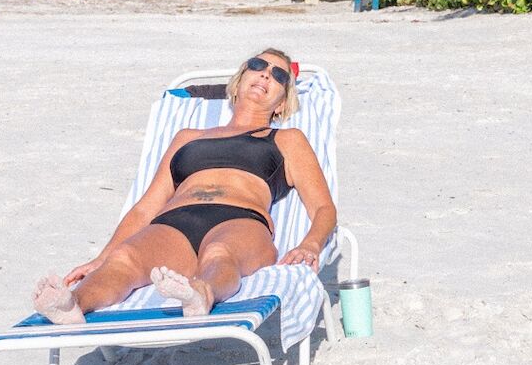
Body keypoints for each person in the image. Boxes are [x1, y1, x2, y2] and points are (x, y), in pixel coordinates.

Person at [31, 49, 337, 322]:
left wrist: (311, 243)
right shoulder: (187, 137)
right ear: (239, 80)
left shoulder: (286, 139)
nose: (266, 74)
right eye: (258, 65)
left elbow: (323, 207)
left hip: (241, 221)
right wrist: (104, 255)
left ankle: (201, 293)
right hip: (174, 222)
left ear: (282, 103)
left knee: (219, 253)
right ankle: (73, 305)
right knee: (124, 260)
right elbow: (145, 208)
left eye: (278, 74)